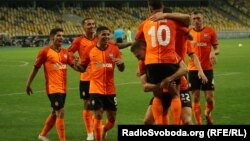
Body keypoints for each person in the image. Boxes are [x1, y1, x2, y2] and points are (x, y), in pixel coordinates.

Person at [135, 0, 191, 125]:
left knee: (157, 97)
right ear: (163, 7)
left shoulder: (145, 23)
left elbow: (137, 39)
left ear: (150, 9)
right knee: (175, 95)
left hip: (152, 62)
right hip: (169, 60)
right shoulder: (173, 21)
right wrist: (166, 16)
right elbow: (187, 21)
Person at [25, 27, 77, 141]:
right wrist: (28, 84)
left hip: (63, 89)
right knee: (60, 112)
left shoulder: (65, 52)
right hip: (52, 88)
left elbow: (75, 67)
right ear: (52, 37)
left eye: (62, 36)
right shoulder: (45, 51)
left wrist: (81, 65)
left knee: (55, 112)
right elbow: (35, 68)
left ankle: (42, 134)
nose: (61, 38)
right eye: (58, 35)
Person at [77, 26, 125, 141]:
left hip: (110, 89)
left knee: (112, 118)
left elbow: (121, 69)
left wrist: (121, 63)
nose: (107, 37)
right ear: (97, 36)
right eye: (104, 34)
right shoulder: (90, 49)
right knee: (98, 115)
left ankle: (104, 130)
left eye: (108, 34)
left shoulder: (114, 49)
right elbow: (82, 67)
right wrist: (76, 65)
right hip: (95, 88)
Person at [131, 39, 189, 125]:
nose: (138, 58)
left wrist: (169, 79)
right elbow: (145, 87)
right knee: (147, 121)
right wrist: (161, 85)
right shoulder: (142, 63)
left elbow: (184, 69)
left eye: (138, 56)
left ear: (145, 48)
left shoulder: (166, 52)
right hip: (162, 91)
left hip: (181, 88)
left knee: (187, 121)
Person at [188, 10, 220, 125]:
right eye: (194, 19)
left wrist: (213, 53)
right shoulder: (188, 33)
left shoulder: (210, 31)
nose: (196, 21)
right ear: (192, 20)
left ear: (203, 19)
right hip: (193, 69)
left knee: (209, 99)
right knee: (195, 98)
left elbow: (217, 48)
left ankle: (207, 113)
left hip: (207, 69)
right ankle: (199, 123)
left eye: (198, 18)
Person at [68, 18, 97, 141]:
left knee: (99, 106)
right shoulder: (79, 40)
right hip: (85, 76)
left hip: (99, 77)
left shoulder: (99, 38)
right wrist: (74, 63)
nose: (91, 26)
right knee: (87, 104)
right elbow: (69, 53)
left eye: (93, 24)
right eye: (88, 24)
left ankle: (98, 128)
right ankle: (90, 133)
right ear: (84, 27)